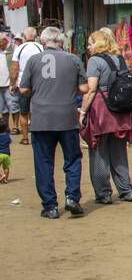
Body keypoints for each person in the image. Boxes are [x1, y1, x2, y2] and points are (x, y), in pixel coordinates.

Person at [17, 26, 87, 218]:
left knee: (43, 162)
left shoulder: (33, 60)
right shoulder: (73, 59)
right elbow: (84, 87)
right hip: (67, 117)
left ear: (43, 42)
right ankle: (72, 198)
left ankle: (50, 206)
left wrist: (39, 90)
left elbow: (23, 89)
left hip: (41, 118)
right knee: (72, 159)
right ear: (62, 42)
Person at [79, 28, 132, 205]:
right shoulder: (119, 59)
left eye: (90, 43)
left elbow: (91, 89)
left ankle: (103, 193)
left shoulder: (94, 61)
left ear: (98, 44)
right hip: (121, 110)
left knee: (98, 152)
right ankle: (126, 190)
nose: (88, 47)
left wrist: (82, 112)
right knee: (119, 151)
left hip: (101, 110)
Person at [10, 26, 42, 145]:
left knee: (24, 112)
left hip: (23, 85)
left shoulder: (19, 48)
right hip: (39, 84)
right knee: (38, 111)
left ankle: (25, 138)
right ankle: (37, 136)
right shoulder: (40, 47)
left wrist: (12, 84)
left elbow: (14, 68)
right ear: (36, 36)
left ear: (24, 36)